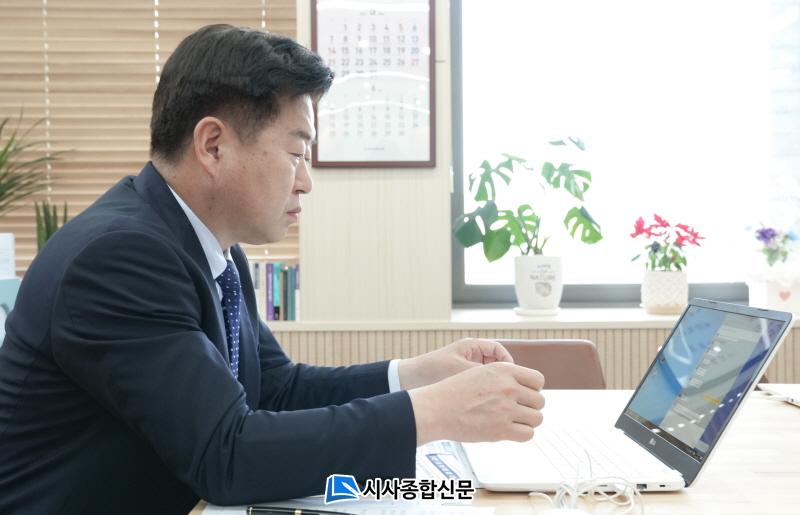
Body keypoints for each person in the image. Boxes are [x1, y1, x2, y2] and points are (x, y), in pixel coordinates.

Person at [0, 25, 545, 515]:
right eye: (297, 153)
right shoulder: (119, 258)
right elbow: (226, 455)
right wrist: (431, 413)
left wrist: (416, 375)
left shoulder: (212, 247)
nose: (306, 182)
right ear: (213, 145)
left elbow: (275, 390)